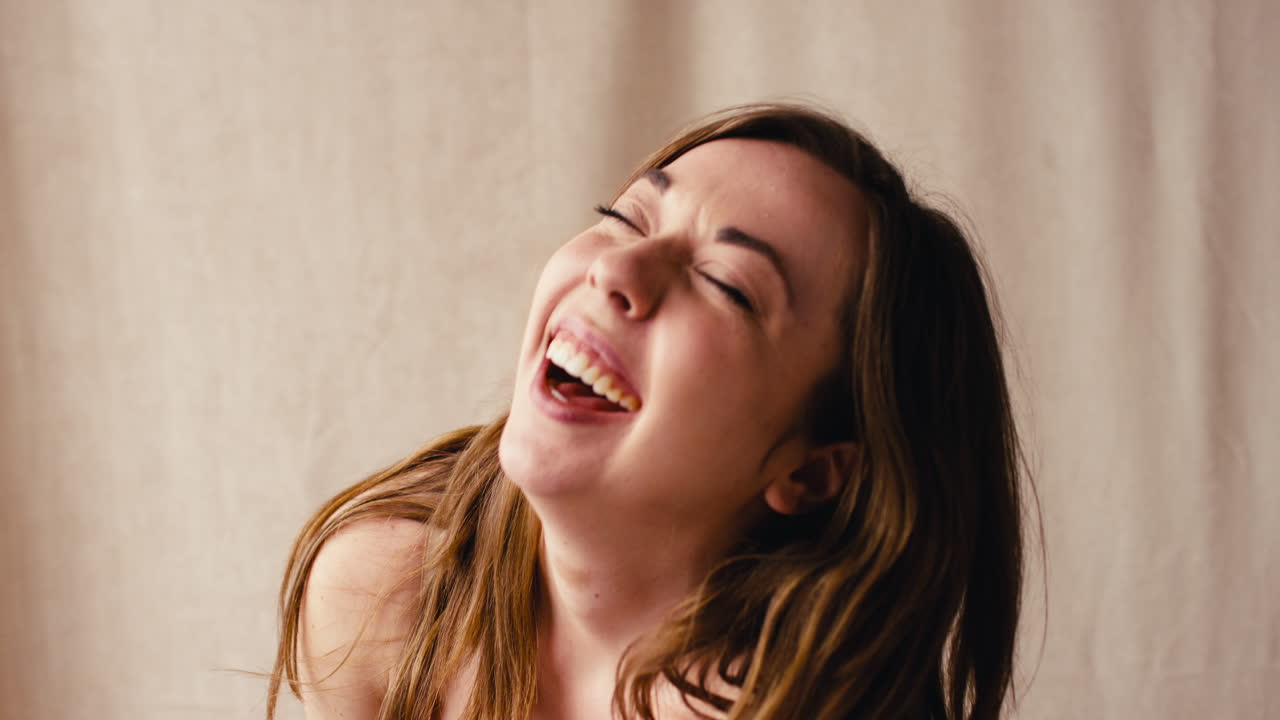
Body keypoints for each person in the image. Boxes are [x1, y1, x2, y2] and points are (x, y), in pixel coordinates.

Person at [266, 103, 1029, 720]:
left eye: (727, 284)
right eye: (625, 218)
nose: (618, 268)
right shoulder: (383, 598)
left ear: (814, 471)